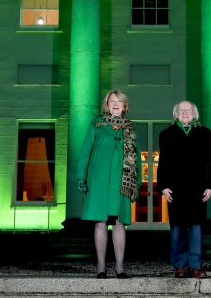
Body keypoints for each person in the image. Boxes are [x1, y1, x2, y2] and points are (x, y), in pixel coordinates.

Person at [77, 90, 139, 279]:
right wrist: (82, 176)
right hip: (99, 181)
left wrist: (135, 184)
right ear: (107, 104)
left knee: (120, 223)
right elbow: (85, 151)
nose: (115, 104)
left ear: (124, 105)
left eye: (119, 101)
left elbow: (136, 159)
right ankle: (101, 267)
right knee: (100, 222)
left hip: (122, 182)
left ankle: (120, 268)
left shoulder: (130, 128)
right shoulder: (96, 124)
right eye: (112, 101)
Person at [157, 101, 211, 278]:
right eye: (181, 110)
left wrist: (210, 186)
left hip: (198, 188)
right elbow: (163, 162)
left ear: (195, 114)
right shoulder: (166, 134)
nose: (185, 112)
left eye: (189, 110)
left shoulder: (205, 133)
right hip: (175, 189)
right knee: (177, 228)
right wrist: (163, 186)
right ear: (175, 114)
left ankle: (195, 266)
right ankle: (179, 266)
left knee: (196, 228)